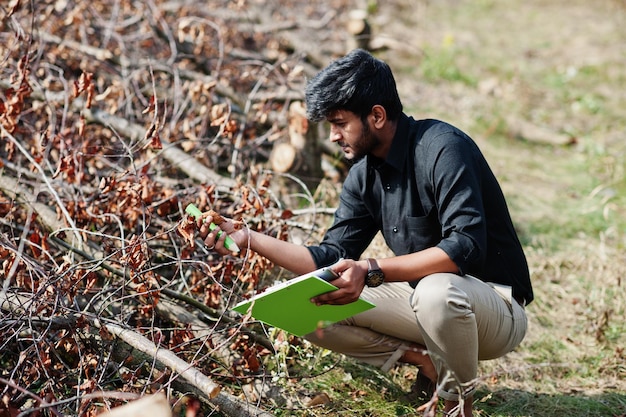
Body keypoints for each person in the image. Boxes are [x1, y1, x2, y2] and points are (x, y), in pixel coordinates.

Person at [198, 49, 532, 416]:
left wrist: (373, 269)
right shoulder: (363, 175)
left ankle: (456, 401)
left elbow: (464, 249)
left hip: (494, 308)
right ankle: (425, 362)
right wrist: (249, 238)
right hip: (427, 306)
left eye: (340, 123)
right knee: (300, 300)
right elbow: (328, 256)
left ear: (376, 115)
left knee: (437, 291)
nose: (333, 135)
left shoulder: (442, 148)